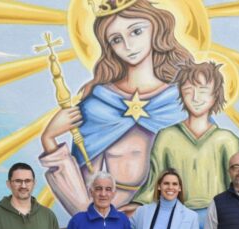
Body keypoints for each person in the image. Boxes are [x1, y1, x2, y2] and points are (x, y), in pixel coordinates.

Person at [39, 0, 193, 215]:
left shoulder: (182, 102)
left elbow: (202, 171)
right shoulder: (98, 104)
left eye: (136, 31)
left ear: (156, 28)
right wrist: (49, 139)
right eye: (116, 39)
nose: (128, 46)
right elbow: (81, 198)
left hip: (166, 223)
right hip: (113, 221)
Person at [132, 61, 239, 224]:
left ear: (216, 94)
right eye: (189, 90)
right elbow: (154, 182)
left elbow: (235, 188)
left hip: (217, 218)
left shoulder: (227, 140)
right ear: (181, 93)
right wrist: (137, 206)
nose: (196, 98)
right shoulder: (167, 136)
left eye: (203, 91)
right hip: (175, 216)